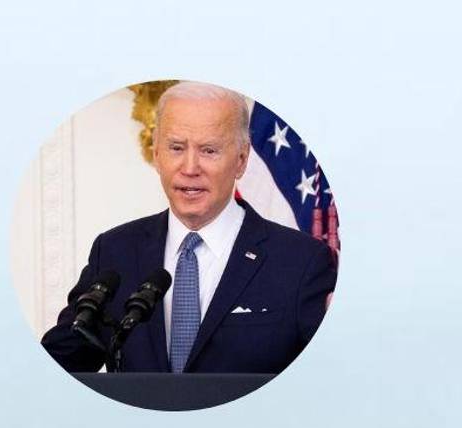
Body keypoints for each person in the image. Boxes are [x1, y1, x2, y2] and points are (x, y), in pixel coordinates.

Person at [41, 81, 336, 376]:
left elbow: (326, 378)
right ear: (157, 154)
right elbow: (58, 366)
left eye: (209, 150)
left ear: (241, 160)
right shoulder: (115, 251)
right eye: (176, 148)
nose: (190, 167)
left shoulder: (302, 261)